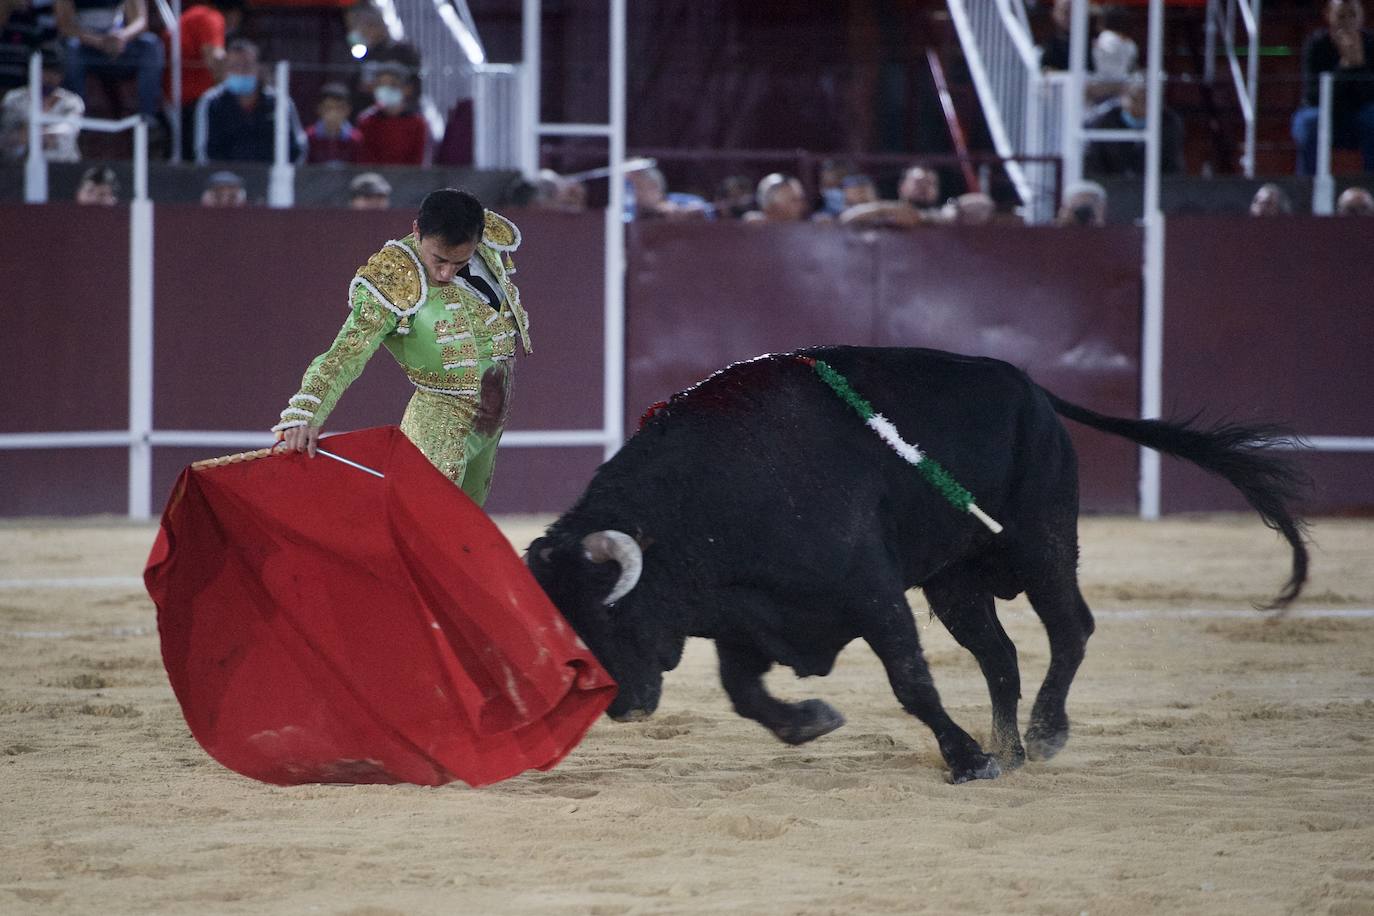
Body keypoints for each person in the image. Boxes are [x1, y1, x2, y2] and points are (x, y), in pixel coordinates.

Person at [273, 189, 532, 506]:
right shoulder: (394, 277)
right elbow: (347, 352)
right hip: (440, 419)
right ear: (416, 231)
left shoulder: (486, 246)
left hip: (492, 419)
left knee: (465, 529)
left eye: (459, 262)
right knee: (423, 525)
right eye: (438, 259)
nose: (446, 273)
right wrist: (305, 414)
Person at [1291, 0, 1374, 175]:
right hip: (1321, 111)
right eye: (1341, 16)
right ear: (1328, 15)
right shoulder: (1316, 44)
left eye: (1353, 15)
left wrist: (1359, 66)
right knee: (1309, 123)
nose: (1347, 21)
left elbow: (1369, 95)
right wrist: (1344, 67)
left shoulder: (1370, 44)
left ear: (1361, 17)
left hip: (1359, 113)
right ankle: (1307, 190)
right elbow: (1313, 95)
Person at [195, 38, 304, 164]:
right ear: (225, 70)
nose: (240, 71)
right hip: (226, 181)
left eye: (247, 65)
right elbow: (204, 153)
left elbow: (297, 148)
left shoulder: (280, 103)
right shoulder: (211, 102)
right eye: (234, 66)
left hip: (272, 179)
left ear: (259, 68)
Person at [54, 0, 163, 120]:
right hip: (86, 47)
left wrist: (122, 37)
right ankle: (73, 118)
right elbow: (65, 26)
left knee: (150, 44)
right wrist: (99, 41)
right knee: (72, 48)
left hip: (120, 45)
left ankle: (147, 118)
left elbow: (140, 21)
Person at [167, 0, 243, 162]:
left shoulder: (194, 15)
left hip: (179, 97)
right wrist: (233, 92)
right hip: (190, 101)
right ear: (235, 14)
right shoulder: (210, 17)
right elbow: (216, 58)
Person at [1084, 74, 1185, 177]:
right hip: (1111, 185)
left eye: (1145, 99)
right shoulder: (1104, 121)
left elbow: (1172, 166)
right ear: (1123, 95)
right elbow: (1094, 163)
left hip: (1152, 185)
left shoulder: (1170, 122)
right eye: (1134, 98)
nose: (1139, 105)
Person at [0, 42, 82, 161]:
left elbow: (68, 131)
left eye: (54, 72)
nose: (49, 78)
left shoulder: (72, 102)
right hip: (19, 169)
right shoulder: (14, 99)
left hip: (63, 169)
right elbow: (6, 136)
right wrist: (20, 136)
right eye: (44, 71)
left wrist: (33, 134)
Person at [345, 0, 420, 113]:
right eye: (361, 26)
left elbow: (414, 86)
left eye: (370, 25)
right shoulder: (363, 53)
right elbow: (356, 86)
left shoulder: (403, 51)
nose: (365, 31)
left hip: (402, 114)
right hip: (369, 114)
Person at [355, 62, 424, 165]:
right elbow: (364, 159)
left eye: (393, 85)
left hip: (408, 179)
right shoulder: (366, 122)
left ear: (407, 89)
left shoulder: (418, 124)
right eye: (381, 85)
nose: (386, 89)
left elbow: (418, 161)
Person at [838, 164, 944, 227]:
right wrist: (884, 210)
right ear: (902, 187)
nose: (924, 188)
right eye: (918, 183)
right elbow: (847, 218)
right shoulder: (885, 210)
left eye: (930, 183)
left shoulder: (943, 214)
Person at [305, 81, 361, 164]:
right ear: (319, 109)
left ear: (348, 110)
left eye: (339, 108)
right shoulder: (308, 137)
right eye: (329, 108)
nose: (333, 113)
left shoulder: (356, 139)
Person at [743, 172, 808, 222]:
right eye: (794, 200)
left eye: (800, 200)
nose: (802, 206)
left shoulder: (808, 228)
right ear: (771, 206)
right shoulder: (754, 228)